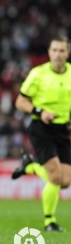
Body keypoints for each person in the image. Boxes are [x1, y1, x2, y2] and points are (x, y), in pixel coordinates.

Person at [11, 35, 71, 232]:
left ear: (67, 53)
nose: (58, 54)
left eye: (62, 51)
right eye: (54, 50)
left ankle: (30, 166)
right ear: (49, 52)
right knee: (54, 176)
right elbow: (20, 102)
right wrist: (40, 111)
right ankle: (49, 221)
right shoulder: (38, 74)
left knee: (65, 181)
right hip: (41, 128)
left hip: (63, 130)